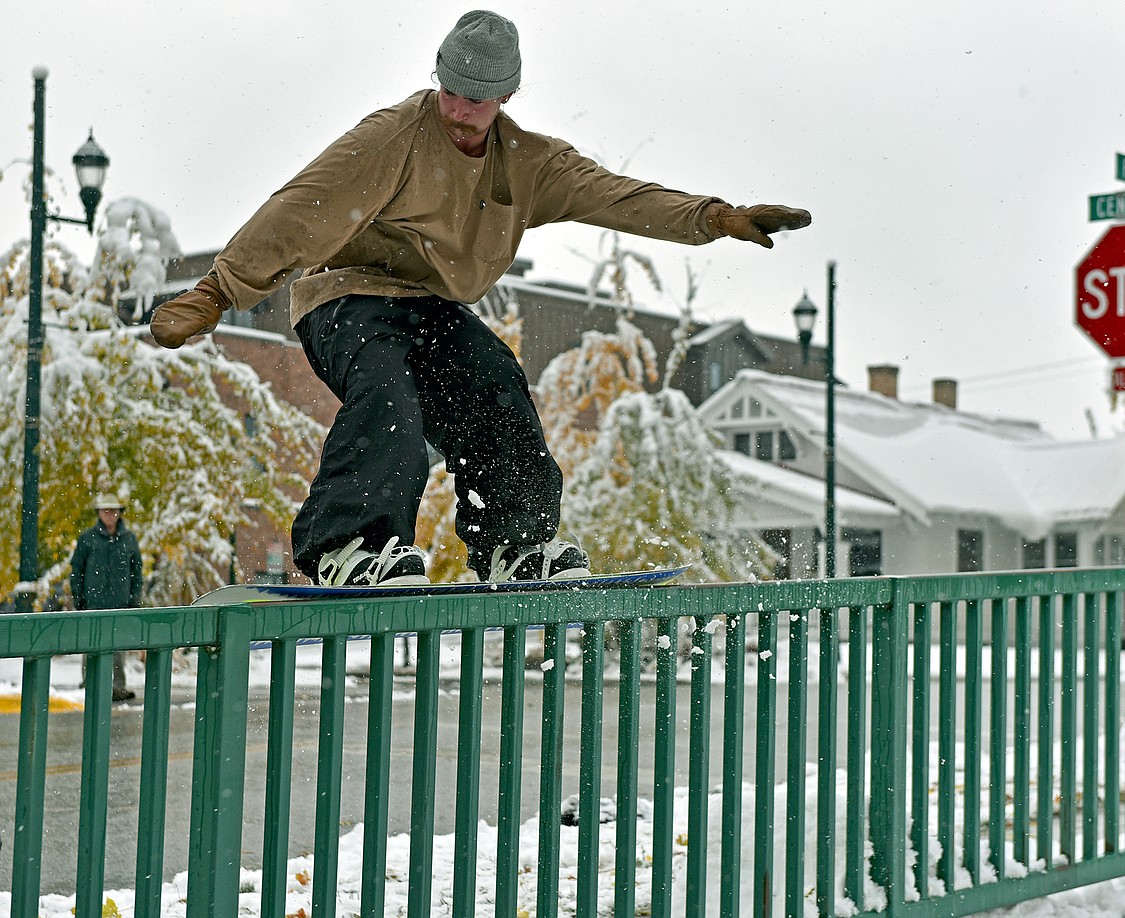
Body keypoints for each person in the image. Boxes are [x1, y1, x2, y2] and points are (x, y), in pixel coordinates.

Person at [150, 9, 812, 587]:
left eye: (478, 99)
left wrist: (712, 217)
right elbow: (302, 207)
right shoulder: (390, 137)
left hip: (429, 305)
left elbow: (615, 195)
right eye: (453, 92)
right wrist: (218, 291)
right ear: (439, 76)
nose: (460, 111)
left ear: (509, 94)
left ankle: (513, 544)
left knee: (496, 382)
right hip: (343, 294)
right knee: (388, 395)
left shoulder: (529, 163)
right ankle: (346, 545)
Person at [69, 493, 143, 701]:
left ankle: (118, 686)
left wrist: (134, 599)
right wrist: (79, 598)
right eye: (106, 511)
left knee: (117, 647)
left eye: (114, 511)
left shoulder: (128, 539)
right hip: (93, 602)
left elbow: (136, 571)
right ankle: (89, 684)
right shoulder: (87, 538)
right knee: (91, 644)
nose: (110, 515)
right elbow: (77, 569)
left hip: (120, 603)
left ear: (120, 513)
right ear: (99, 513)